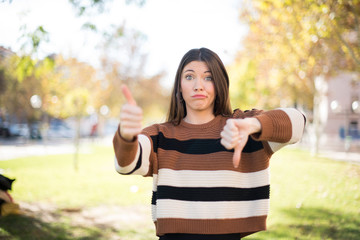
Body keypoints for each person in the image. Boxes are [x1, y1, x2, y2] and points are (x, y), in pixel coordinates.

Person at [113, 48, 306, 240]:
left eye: (208, 77)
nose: (198, 86)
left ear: (219, 84)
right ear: (179, 86)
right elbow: (126, 165)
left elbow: (298, 123)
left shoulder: (242, 126)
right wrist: (126, 135)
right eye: (189, 77)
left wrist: (253, 125)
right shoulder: (160, 135)